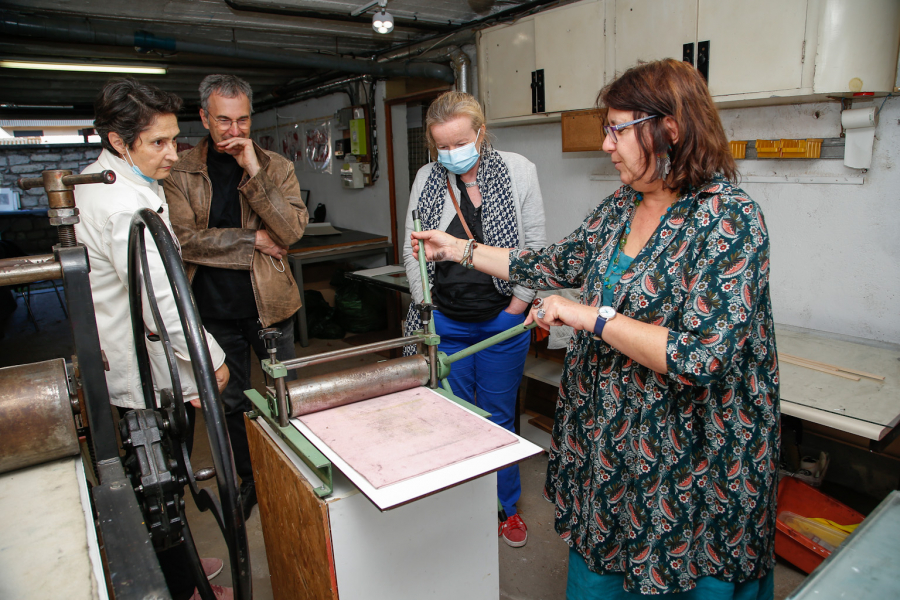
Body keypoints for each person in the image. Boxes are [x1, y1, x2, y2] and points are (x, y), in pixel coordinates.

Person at [412, 59, 779, 598]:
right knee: (601, 568)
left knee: (683, 570)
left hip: (689, 459)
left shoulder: (730, 220)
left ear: (669, 128)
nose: (606, 144)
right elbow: (552, 262)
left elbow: (704, 357)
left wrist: (589, 316)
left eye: (617, 129)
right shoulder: (621, 208)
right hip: (610, 446)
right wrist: (460, 249)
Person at [75, 78, 233, 600]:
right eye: (157, 143)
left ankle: (181, 565)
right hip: (138, 367)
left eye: (174, 138)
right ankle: (177, 585)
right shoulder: (120, 204)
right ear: (119, 142)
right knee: (159, 484)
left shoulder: (106, 182)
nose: (173, 153)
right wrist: (209, 360)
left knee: (165, 476)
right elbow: (160, 300)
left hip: (137, 355)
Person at [402, 91, 547, 547]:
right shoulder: (427, 178)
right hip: (447, 322)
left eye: (459, 142)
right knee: (455, 417)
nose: (449, 154)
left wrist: (515, 311)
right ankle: (465, 506)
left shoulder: (519, 170)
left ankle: (506, 507)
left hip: (502, 320)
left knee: (500, 416)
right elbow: (412, 252)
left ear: (481, 134)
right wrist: (428, 309)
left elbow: (536, 251)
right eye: (441, 146)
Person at [165, 74, 308, 521]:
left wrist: (254, 171)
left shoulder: (277, 167)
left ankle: (296, 474)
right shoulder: (180, 171)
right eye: (223, 120)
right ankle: (251, 480)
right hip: (212, 310)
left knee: (285, 396)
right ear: (204, 118)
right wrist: (252, 242)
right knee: (231, 404)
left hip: (271, 307)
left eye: (242, 120)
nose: (234, 131)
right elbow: (185, 241)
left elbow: (290, 232)